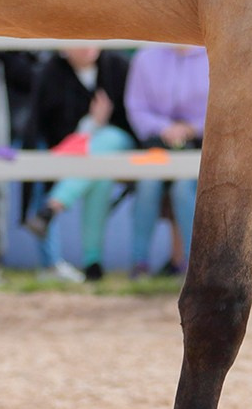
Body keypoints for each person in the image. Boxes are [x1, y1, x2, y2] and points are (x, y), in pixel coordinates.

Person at [20, 45, 137, 282]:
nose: (87, 44)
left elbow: (132, 119)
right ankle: (92, 263)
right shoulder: (51, 73)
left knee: (107, 139)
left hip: (124, 145)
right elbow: (49, 128)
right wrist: (92, 124)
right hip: (79, 155)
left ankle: (52, 207)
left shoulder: (117, 65)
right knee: (99, 176)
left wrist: (95, 128)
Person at [125, 42, 211, 276]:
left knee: (184, 189)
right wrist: (165, 128)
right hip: (157, 143)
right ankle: (139, 263)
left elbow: (225, 107)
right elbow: (136, 108)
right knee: (148, 183)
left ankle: (193, 265)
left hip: (202, 144)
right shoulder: (145, 57)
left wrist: (192, 129)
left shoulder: (213, 54)